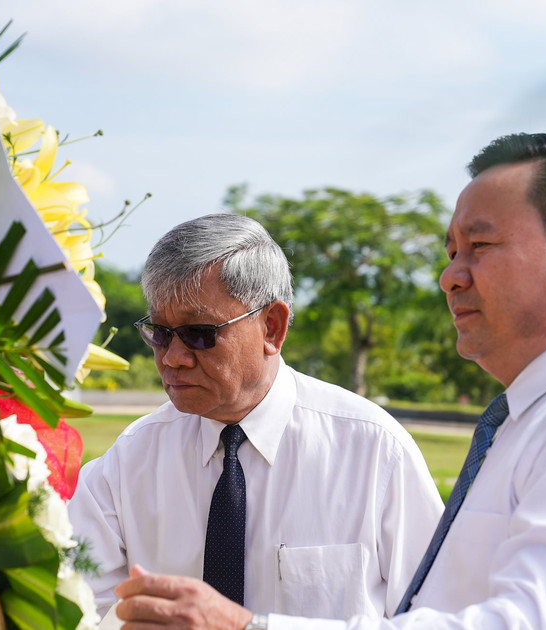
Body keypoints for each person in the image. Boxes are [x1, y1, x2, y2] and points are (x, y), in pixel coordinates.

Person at [111, 133, 546, 629]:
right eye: (450, 251)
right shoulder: (542, 416)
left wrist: (247, 628)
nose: (450, 277)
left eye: (479, 246)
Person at [67, 214, 443, 621]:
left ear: (272, 328)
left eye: (199, 333)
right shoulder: (129, 461)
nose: (173, 357)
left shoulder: (374, 452)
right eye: (159, 332)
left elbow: (441, 617)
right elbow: (79, 610)